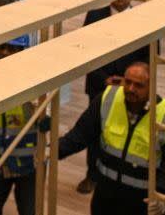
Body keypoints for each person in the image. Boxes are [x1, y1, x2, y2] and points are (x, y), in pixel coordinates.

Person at [60, 61, 165, 215]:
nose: (130, 89)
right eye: (127, 82)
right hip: (105, 195)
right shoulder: (108, 99)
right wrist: (52, 150)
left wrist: (161, 196)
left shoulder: (162, 116)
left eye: (139, 85)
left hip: (141, 201)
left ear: (151, 86)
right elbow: (80, 134)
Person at [77, 0, 150, 194]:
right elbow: (84, 50)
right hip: (99, 85)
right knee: (95, 130)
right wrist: (104, 79)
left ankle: (120, 177)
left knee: (126, 133)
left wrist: (127, 81)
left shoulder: (143, 20)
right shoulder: (95, 15)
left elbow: (149, 57)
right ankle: (92, 175)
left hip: (132, 89)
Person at [0, 36, 41, 215]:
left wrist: (46, 120)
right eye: (2, 47)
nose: (5, 52)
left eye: (11, 49)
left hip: (28, 165)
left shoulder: (36, 80)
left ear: (22, 51)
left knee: (29, 210)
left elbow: (48, 112)